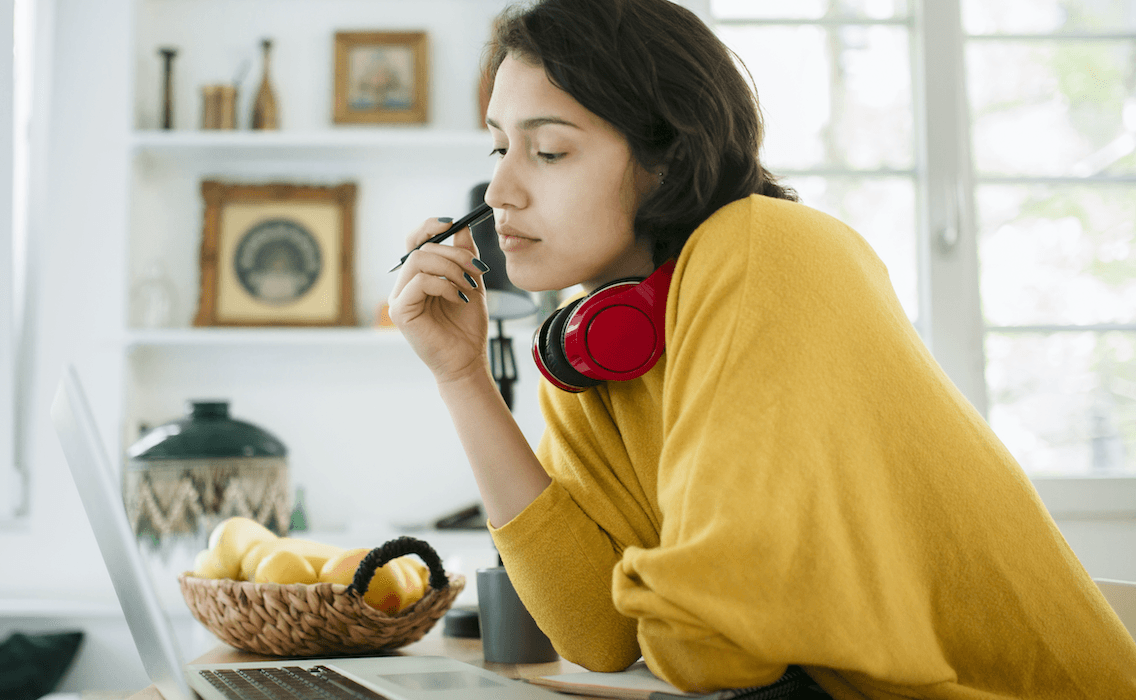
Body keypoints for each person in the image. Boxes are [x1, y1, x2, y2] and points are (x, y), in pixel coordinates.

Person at [386, 0, 1136, 698]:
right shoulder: (597, 341)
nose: (496, 193)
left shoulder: (764, 249)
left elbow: (712, 642)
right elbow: (594, 633)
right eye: (496, 146)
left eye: (548, 151)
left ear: (669, 159)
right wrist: (461, 376)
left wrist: (680, 605)